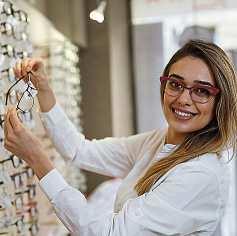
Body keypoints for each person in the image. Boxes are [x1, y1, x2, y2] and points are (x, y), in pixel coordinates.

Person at [3, 40, 237, 235]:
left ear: (220, 101)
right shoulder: (160, 141)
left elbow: (110, 233)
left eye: (201, 91)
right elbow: (80, 150)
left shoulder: (201, 174)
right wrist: (44, 89)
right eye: (175, 84)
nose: (184, 99)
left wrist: (37, 159)